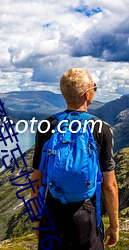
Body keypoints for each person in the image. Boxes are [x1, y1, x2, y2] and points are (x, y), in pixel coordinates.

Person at [31, 68, 119, 250]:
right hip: (86, 215)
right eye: (95, 87)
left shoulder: (47, 125)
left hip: (52, 213)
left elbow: (37, 179)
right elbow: (109, 185)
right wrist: (114, 225)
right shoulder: (101, 129)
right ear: (87, 94)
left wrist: (37, 220)